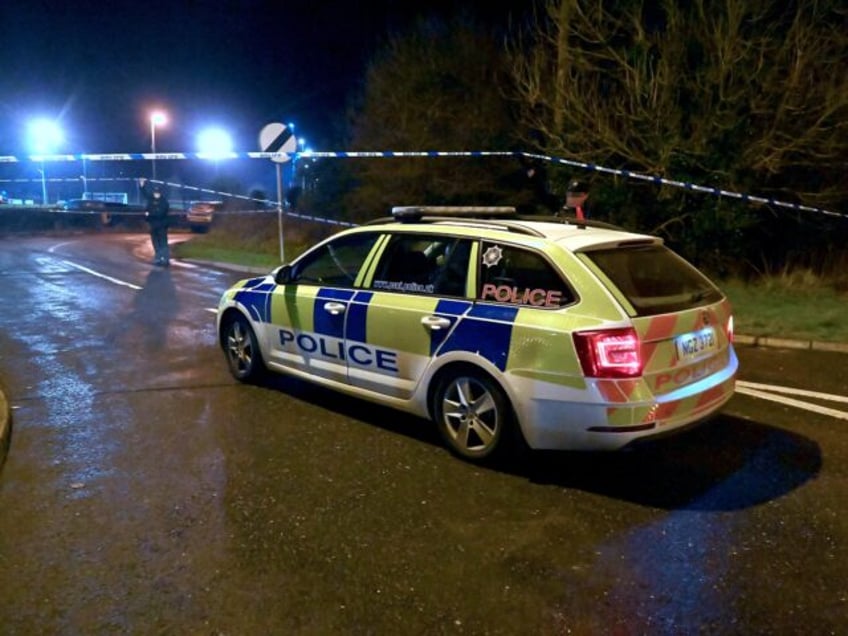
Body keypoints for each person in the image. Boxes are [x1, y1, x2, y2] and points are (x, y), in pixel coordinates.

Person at [138, 177, 171, 266]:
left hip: (162, 225)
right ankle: (158, 258)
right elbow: (144, 194)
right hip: (153, 225)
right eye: (155, 193)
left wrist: (149, 214)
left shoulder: (164, 202)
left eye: (157, 193)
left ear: (160, 193)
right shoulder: (151, 199)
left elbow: (161, 213)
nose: (156, 194)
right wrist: (142, 185)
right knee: (155, 242)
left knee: (163, 242)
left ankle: (166, 259)